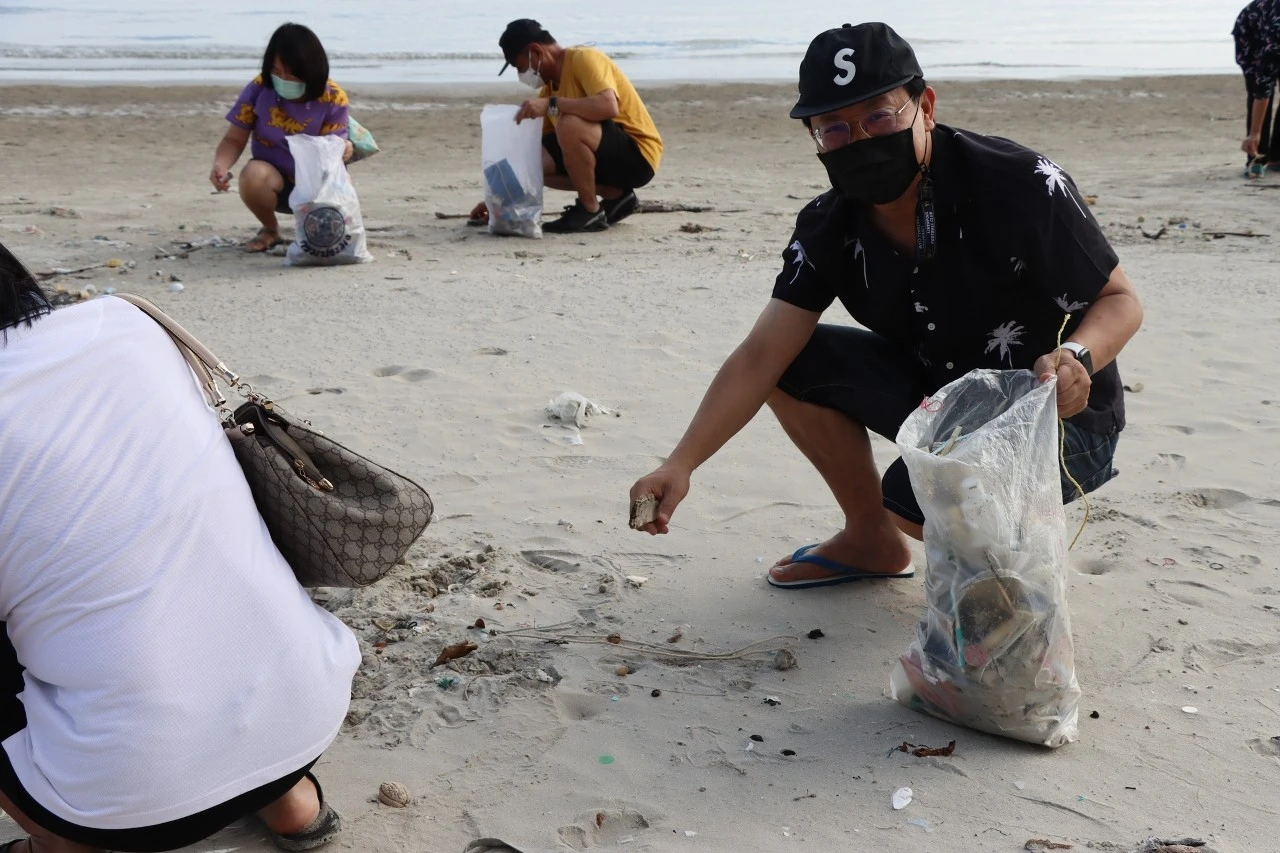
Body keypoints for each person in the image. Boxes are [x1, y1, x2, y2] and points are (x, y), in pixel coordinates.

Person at [628, 23, 1143, 590]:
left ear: (924, 104)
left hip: (1056, 413)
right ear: (813, 136)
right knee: (792, 366)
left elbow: (1119, 300)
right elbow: (760, 356)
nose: (860, 140)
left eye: (879, 116)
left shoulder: (1017, 184)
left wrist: (1075, 357)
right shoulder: (829, 225)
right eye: (834, 129)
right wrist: (681, 463)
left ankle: (1010, 568)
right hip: (937, 400)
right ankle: (870, 540)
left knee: (915, 500)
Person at [0, 240, 360, 852]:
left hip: (121, 802)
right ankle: (292, 805)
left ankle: (63, 843)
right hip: (311, 710)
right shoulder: (124, 321)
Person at [468, 19, 663, 233]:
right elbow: (527, 157)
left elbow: (608, 106)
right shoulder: (551, 89)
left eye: (519, 66)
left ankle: (590, 211)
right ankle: (616, 195)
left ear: (535, 51)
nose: (521, 75)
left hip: (637, 155)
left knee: (568, 123)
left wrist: (553, 105)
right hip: (606, 157)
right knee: (532, 160)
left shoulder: (583, 58)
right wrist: (496, 201)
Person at [210, 23, 354, 252]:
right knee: (252, 175)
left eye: (292, 74)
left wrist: (345, 148)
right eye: (277, 72)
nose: (284, 80)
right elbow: (234, 139)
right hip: (273, 181)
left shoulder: (332, 97)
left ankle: (312, 228)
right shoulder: (259, 89)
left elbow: (334, 151)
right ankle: (270, 228)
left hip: (317, 185)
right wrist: (221, 165)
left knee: (329, 239)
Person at [1233, 0, 1280, 177]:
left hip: (1270, 30)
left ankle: (1277, 157)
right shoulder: (1275, 41)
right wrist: (1255, 133)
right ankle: (1256, 156)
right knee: (1259, 91)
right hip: (1251, 34)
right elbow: (1262, 88)